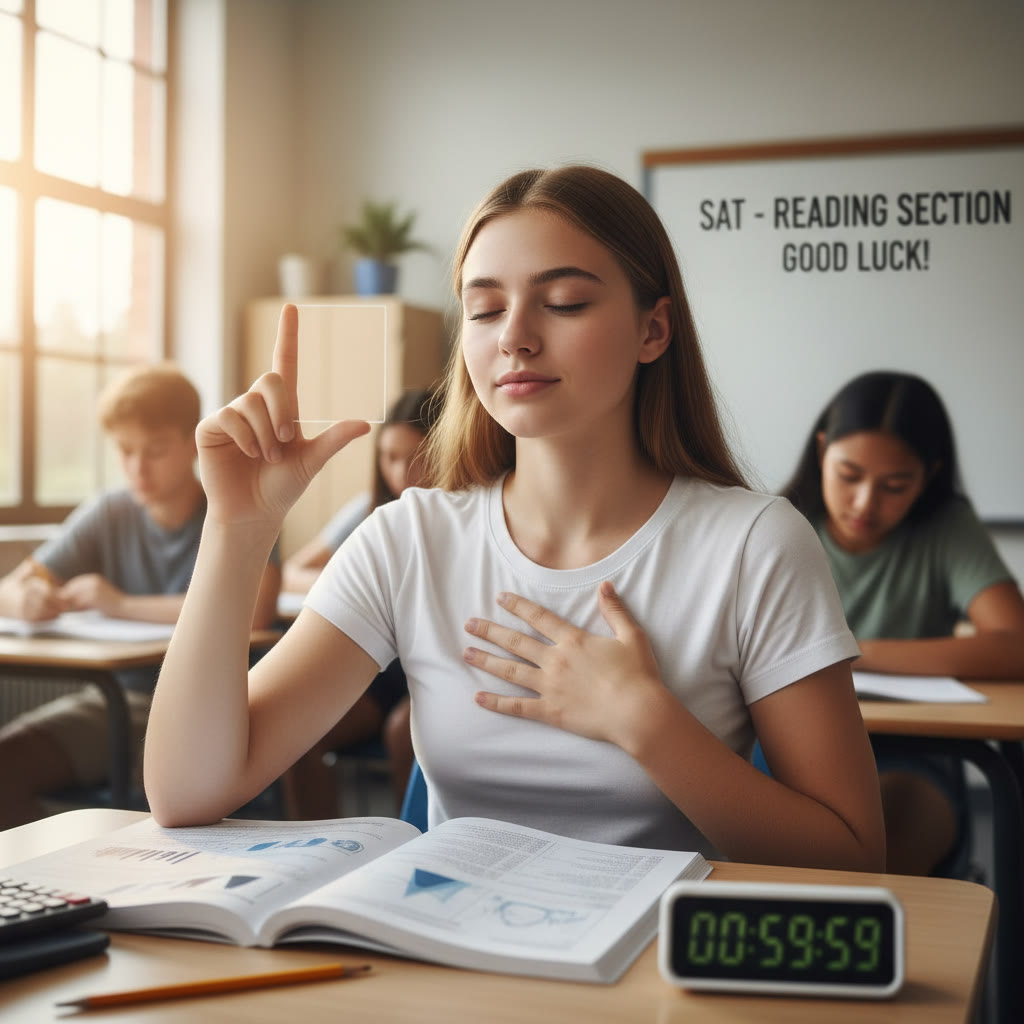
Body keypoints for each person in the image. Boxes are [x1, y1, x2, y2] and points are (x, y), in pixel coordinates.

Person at [145, 165, 884, 871]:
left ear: (653, 331)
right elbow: (186, 793)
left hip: (658, 984)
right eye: (486, 308)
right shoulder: (411, 540)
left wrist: (646, 724)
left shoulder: (754, 544)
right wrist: (238, 529)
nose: (515, 337)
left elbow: (856, 859)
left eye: (563, 302)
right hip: (455, 972)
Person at [0, 364, 281, 828]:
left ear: (193, 443)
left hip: (210, 706)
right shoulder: (110, 512)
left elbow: (258, 612)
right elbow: (10, 587)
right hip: (119, 701)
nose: (137, 468)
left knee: (160, 795)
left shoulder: (233, 503)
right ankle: (62, 889)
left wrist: (121, 605)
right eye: (125, 451)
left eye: (155, 451)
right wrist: (25, 598)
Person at [781, 370, 1024, 875]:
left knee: (876, 854)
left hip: (911, 759)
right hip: (783, 753)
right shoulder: (777, 522)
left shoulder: (945, 527)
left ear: (929, 475)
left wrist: (847, 651)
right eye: (849, 475)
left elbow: (1015, 643)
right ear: (822, 450)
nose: (866, 503)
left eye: (895, 485)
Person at [280, 388, 439, 817]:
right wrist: (356, 583)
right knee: (297, 735)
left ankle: (413, 852)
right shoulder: (372, 512)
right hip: (376, 668)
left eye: (417, 457)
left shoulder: (459, 510)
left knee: (403, 731)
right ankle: (317, 859)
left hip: (433, 664)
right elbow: (292, 571)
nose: (402, 473)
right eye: (388, 457)